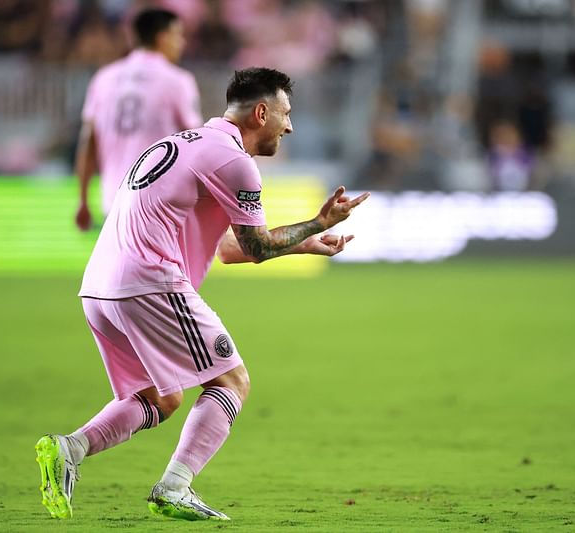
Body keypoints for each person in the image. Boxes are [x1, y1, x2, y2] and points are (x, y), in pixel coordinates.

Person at [35, 67, 369, 522]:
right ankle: (174, 487)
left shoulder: (182, 144)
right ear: (261, 112)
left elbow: (229, 251)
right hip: (149, 281)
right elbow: (258, 245)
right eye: (286, 115)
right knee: (231, 382)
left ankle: (68, 449)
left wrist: (303, 243)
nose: (290, 126)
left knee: (162, 397)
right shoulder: (235, 161)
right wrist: (318, 223)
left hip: (100, 288)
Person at [74, 8, 202, 231]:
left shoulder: (103, 78)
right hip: (160, 205)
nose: (181, 43)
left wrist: (83, 201)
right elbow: (196, 144)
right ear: (163, 37)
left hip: (114, 203)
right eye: (178, 35)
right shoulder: (178, 81)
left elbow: (88, 142)